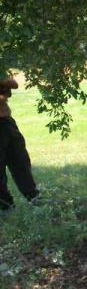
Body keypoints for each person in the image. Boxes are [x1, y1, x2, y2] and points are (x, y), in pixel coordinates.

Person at [0, 77, 39, 211]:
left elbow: (14, 84)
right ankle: (6, 206)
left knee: (20, 161)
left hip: (6, 122)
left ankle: (33, 197)